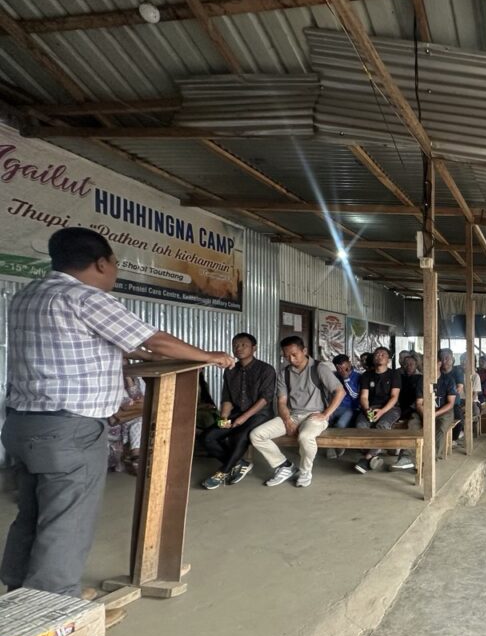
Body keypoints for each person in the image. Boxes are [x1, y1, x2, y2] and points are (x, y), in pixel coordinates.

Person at [0, 227, 234, 598]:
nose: (114, 273)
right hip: (69, 430)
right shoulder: (85, 297)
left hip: (23, 424)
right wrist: (210, 356)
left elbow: (90, 346)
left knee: (32, 513)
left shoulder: (28, 295)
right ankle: (54, 609)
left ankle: (17, 590)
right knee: (67, 522)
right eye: (115, 265)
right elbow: (154, 340)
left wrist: (140, 354)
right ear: (101, 263)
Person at [249, 336, 343, 488]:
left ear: (304, 351)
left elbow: (340, 391)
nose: (291, 359)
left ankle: (305, 472)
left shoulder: (319, 368)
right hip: (292, 415)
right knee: (256, 435)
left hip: (315, 416)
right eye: (286, 356)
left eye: (294, 354)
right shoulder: (284, 373)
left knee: (305, 437)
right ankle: (284, 466)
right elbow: (281, 402)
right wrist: (287, 420)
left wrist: (326, 414)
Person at [198, 333, 277, 489]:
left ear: (254, 348)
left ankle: (222, 472)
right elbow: (227, 397)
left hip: (260, 414)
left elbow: (265, 399)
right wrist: (224, 418)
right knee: (207, 437)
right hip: (237, 413)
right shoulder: (230, 370)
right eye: (235, 345)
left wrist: (243, 418)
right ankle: (239, 463)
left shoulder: (266, 369)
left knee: (241, 436)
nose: (238, 348)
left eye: (243, 345)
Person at [397, 353, 458, 470]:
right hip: (424, 410)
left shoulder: (448, 380)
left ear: (439, 363)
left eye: (432, 362)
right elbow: (419, 403)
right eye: (426, 363)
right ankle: (405, 457)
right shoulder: (422, 380)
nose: (428, 365)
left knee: (440, 427)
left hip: (443, 411)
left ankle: (431, 458)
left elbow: (450, 403)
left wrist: (435, 414)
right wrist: (425, 415)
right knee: (413, 424)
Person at [354, 346, 403, 473]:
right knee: (361, 425)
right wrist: (367, 410)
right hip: (371, 407)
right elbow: (364, 397)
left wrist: (382, 411)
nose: (379, 356)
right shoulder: (366, 375)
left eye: (383, 354)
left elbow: (394, 397)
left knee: (382, 425)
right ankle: (374, 455)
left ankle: (367, 458)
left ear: (388, 360)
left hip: (390, 408)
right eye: (377, 354)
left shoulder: (394, 374)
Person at [107, 374, 146, 475]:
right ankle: (133, 457)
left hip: (125, 419)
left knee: (140, 420)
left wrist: (129, 379)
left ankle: (136, 457)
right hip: (111, 422)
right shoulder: (110, 378)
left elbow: (139, 399)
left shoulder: (138, 380)